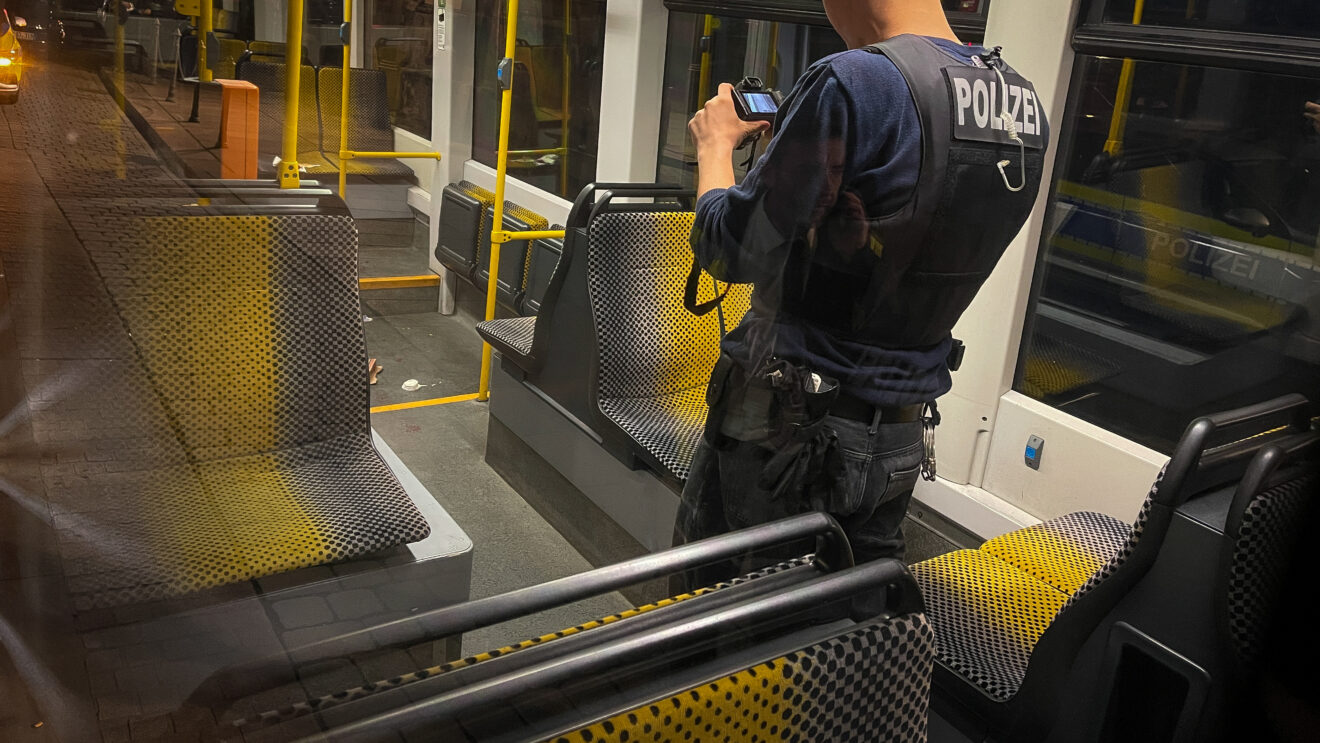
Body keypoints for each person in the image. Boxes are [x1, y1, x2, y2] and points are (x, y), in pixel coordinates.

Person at [675, 0, 1050, 602]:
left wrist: (716, 148)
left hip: (783, 430)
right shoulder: (1023, 106)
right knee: (847, 628)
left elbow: (731, 250)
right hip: (899, 432)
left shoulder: (853, 82)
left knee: (720, 623)